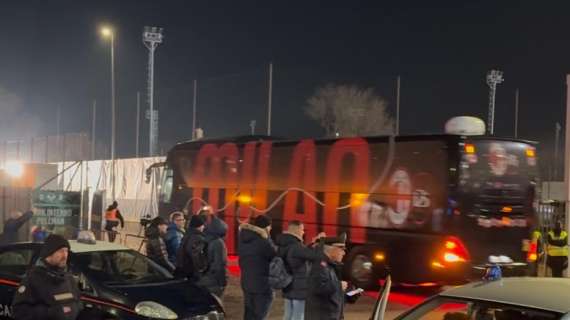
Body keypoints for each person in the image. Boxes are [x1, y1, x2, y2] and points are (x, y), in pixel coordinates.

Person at [12, 234, 83, 320]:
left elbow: (78, 302)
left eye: (66, 251)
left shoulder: (68, 278)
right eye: (60, 251)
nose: (65, 256)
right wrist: (50, 312)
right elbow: (19, 312)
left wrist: (74, 309)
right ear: (49, 253)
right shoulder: (32, 279)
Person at [275, 221, 325, 320]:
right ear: (296, 230)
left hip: (288, 285)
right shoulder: (296, 246)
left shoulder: (286, 244)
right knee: (298, 316)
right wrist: (321, 243)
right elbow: (316, 256)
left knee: (288, 315)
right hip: (298, 288)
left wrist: (313, 243)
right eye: (302, 230)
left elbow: (303, 253)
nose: (303, 232)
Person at [238, 215, 276, 320]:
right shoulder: (263, 242)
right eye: (270, 226)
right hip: (262, 285)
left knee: (249, 316)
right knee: (259, 316)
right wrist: (268, 238)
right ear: (266, 227)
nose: (271, 229)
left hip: (246, 282)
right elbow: (274, 254)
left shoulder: (243, 239)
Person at [305, 233, 349, 320]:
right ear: (332, 249)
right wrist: (339, 285)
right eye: (341, 249)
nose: (344, 253)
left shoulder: (328, 265)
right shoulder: (320, 265)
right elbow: (318, 288)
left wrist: (348, 296)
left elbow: (330, 293)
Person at [199, 212, 228, 297]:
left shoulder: (204, 238)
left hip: (205, 278)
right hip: (214, 280)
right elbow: (220, 264)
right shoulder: (218, 243)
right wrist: (222, 282)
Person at [175, 214, 208, 281]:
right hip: (192, 271)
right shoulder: (197, 237)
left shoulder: (187, 235)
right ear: (198, 226)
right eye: (202, 225)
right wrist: (202, 269)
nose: (203, 227)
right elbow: (196, 255)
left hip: (184, 269)